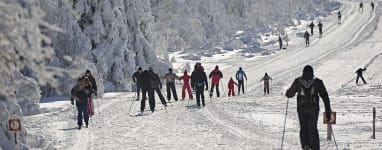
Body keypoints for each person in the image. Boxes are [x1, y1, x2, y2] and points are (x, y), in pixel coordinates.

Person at [286, 65, 332, 150]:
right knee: (313, 129)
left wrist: (288, 93)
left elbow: (290, 94)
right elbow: (325, 97)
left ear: (303, 72)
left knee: (303, 128)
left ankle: (305, 146)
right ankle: (315, 147)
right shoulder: (317, 82)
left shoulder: (298, 81)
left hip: (301, 109)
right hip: (314, 110)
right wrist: (328, 111)